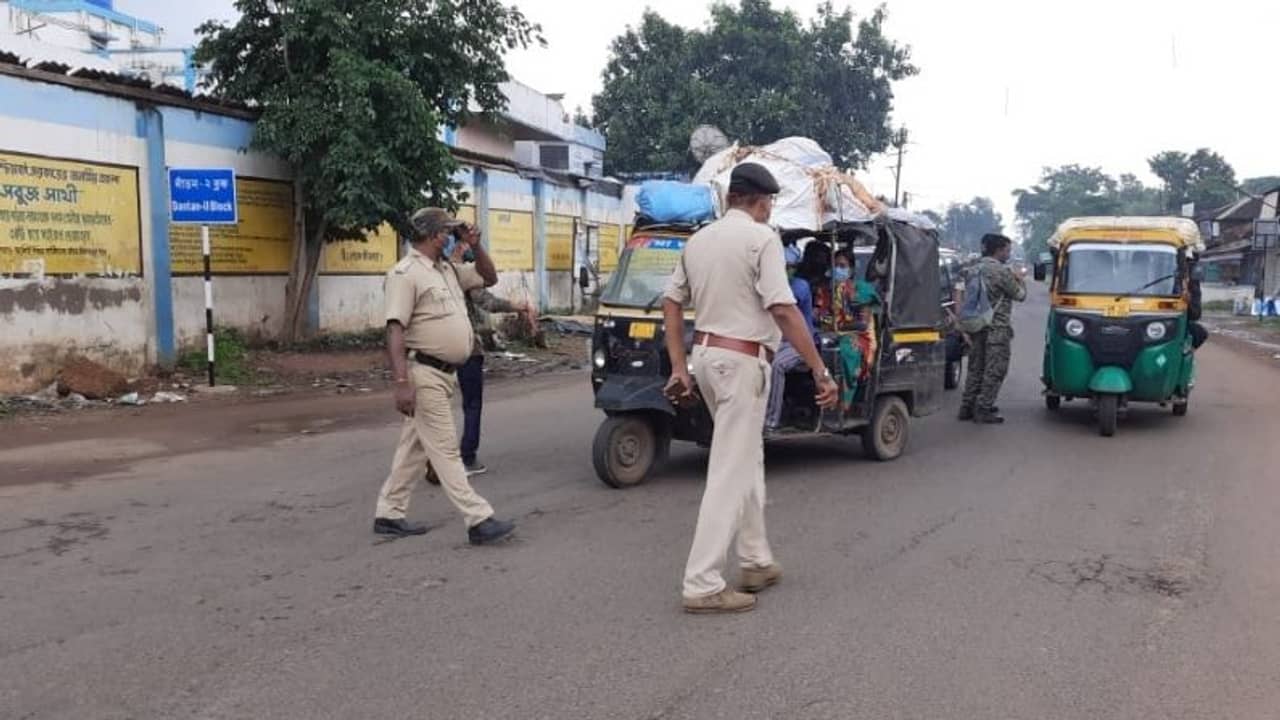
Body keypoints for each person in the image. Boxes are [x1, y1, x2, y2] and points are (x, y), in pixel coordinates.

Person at [663, 163, 839, 614]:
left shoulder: (698, 240)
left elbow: (671, 301)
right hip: (742, 361)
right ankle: (702, 583)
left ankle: (756, 560)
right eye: (769, 204)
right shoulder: (762, 239)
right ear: (761, 202)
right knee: (728, 470)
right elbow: (782, 308)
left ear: (730, 199)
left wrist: (680, 366)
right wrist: (819, 369)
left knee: (747, 459)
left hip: (705, 357)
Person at [372, 207, 516, 545]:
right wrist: (401, 382)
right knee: (446, 451)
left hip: (444, 374)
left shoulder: (447, 269)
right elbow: (394, 329)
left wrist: (476, 246)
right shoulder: (405, 274)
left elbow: (489, 278)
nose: (452, 235)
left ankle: (389, 513)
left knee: (414, 449)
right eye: (448, 230)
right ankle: (478, 519)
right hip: (423, 373)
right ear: (436, 235)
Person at [958, 233, 1027, 424]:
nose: (1008, 254)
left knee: (975, 367)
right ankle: (983, 408)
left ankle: (967, 406)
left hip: (975, 325)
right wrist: (1019, 278)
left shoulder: (972, 270)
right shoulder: (1002, 272)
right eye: (1007, 250)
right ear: (998, 250)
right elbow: (1020, 295)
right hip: (997, 328)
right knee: (995, 370)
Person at [764, 245, 818, 432]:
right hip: (776, 341)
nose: (787, 270)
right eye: (783, 266)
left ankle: (770, 421)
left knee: (776, 365)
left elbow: (784, 314)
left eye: (791, 267)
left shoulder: (798, 287)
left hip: (800, 344)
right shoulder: (768, 284)